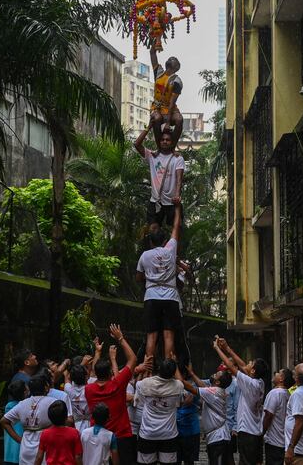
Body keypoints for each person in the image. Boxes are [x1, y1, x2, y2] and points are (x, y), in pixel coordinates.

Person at [84, 324, 144, 465]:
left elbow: (92, 373)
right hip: (121, 435)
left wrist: (97, 353)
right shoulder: (117, 384)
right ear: (110, 373)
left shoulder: (89, 389)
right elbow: (133, 360)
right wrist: (120, 338)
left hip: (97, 435)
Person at [136, 203, 184, 360]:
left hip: (151, 296)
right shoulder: (170, 249)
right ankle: (168, 369)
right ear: (165, 241)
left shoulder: (145, 256)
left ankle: (148, 370)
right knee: (168, 336)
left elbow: (138, 277)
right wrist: (177, 209)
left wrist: (150, 275)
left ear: (151, 242)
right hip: (170, 297)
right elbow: (176, 226)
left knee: (152, 336)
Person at [214, 337, 269, 465]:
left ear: (253, 370)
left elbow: (231, 366)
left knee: (245, 462)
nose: (247, 363)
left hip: (247, 432)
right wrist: (227, 348)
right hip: (256, 431)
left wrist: (217, 349)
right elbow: (243, 366)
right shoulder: (260, 382)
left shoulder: (249, 383)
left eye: (251, 363)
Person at [178, 364, 234, 465]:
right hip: (222, 437)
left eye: (216, 374)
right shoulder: (218, 390)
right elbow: (202, 386)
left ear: (217, 382)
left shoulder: (212, 392)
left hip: (217, 439)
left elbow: (187, 386)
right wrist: (192, 373)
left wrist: (174, 367)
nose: (214, 374)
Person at [134, 122, 185, 230]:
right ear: (159, 142)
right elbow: (137, 144)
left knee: (177, 229)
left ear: (172, 143)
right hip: (156, 201)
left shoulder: (177, 158)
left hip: (172, 202)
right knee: (152, 231)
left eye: (167, 140)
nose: (165, 142)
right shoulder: (152, 156)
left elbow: (179, 179)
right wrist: (149, 126)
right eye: (162, 140)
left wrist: (177, 195)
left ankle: (175, 247)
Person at [135, 357, 185, 465]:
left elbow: (141, 401)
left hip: (147, 433)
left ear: (158, 369)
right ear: (173, 374)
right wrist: (175, 365)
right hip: (169, 434)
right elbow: (180, 397)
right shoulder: (178, 386)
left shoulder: (144, 384)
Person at [1, 376, 58, 465]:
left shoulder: (21, 404)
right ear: (46, 387)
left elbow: (4, 421)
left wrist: (19, 440)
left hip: (26, 447)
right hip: (46, 446)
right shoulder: (53, 402)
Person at [149, 46, 184, 144]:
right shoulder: (159, 72)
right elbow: (152, 53)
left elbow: (172, 103)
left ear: (177, 67)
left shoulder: (177, 82)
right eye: (171, 58)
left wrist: (168, 123)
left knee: (179, 120)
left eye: (175, 59)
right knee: (156, 119)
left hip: (170, 110)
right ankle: (159, 147)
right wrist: (155, 38)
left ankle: (172, 147)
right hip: (157, 108)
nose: (172, 58)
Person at [34, 400, 82, 465]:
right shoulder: (74, 433)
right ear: (66, 416)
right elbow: (78, 457)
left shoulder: (45, 434)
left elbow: (39, 457)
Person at [263, 368, 294, 465]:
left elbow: (268, 415)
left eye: (278, 373)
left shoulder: (274, 393)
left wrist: (262, 432)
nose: (275, 374)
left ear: (281, 378)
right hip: (284, 440)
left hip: (274, 440)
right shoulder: (288, 394)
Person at [4, 379, 27, 465]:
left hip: (9, 451)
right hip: (20, 449)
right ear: (24, 392)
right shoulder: (24, 406)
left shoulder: (8, 406)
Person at [176, 387, 201, 465]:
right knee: (176, 460)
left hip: (191, 431)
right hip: (175, 431)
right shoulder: (171, 386)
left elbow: (191, 399)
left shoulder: (192, 387)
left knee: (189, 460)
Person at [65, 365, 91, 433]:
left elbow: (67, 378)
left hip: (76, 425)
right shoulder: (90, 389)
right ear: (85, 377)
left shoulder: (68, 389)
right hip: (90, 424)